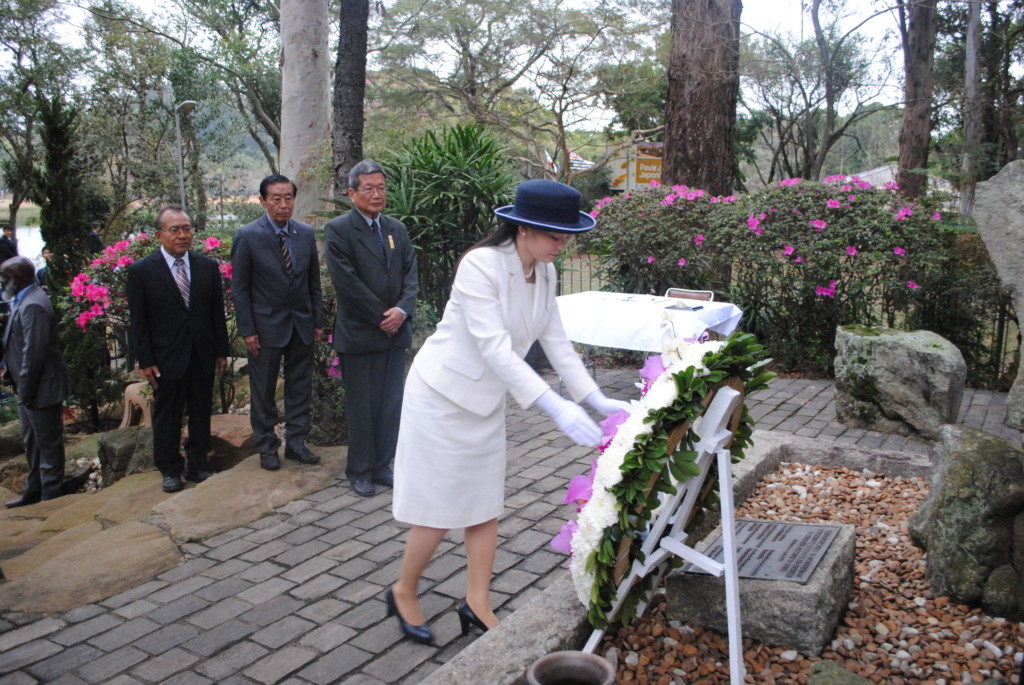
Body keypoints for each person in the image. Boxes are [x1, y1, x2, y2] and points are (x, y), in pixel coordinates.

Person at [387, 179, 629, 643]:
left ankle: (477, 602)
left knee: (484, 505)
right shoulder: (480, 265)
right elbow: (495, 349)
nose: (563, 245)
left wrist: (594, 398)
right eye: (555, 236)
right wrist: (553, 406)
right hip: (441, 395)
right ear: (524, 228)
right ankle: (404, 589)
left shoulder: (546, 270)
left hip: (485, 401)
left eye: (567, 237)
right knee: (437, 509)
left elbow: (556, 340)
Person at [324, 160, 418, 498]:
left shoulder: (397, 229)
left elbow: (410, 275)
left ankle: (382, 465)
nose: (377, 194)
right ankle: (360, 470)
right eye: (369, 188)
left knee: (391, 402)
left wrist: (402, 310)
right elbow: (346, 282)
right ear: (352, 193)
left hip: (396, 332)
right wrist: (383, 315)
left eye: (381, 187)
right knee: (362, 406)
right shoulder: (338, 230)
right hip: (362, 333)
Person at [126, 206, 229, 493]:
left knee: (200, 411)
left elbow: (216, 314)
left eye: (187, 228)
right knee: (167, 415)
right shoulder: (142, 271)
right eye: (175, 230)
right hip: (165, 358)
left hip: (202, 354)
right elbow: (139, 321)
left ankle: (198, 464)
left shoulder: (207, 267)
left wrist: (221, 351)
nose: (183, 235)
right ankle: (169, 469)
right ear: (159, 234)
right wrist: (145, 359)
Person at [232, 174, 324, 470]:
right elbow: (241, 288)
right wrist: (247, 330)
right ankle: (267, 446)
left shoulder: (305, 233)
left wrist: (317, 321)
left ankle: (297, 443)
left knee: (300, 387)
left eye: (288, 198)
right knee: (264, 390)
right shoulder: (248, 235)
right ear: (263, 201)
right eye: (277, 199)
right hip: (265, 327)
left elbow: (314, 283)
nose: (284, 205)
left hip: (301, 324)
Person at [1, 256, 70, 507]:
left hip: (40, 388)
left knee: (48, 444)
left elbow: (34, 353)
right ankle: (34, 489)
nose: (2, 282)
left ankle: (52, 497)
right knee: (32, 442)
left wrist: (26, 390)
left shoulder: (34, 305)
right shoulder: (23, 300)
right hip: (26, 387)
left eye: (5, 278)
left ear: (17, 278)